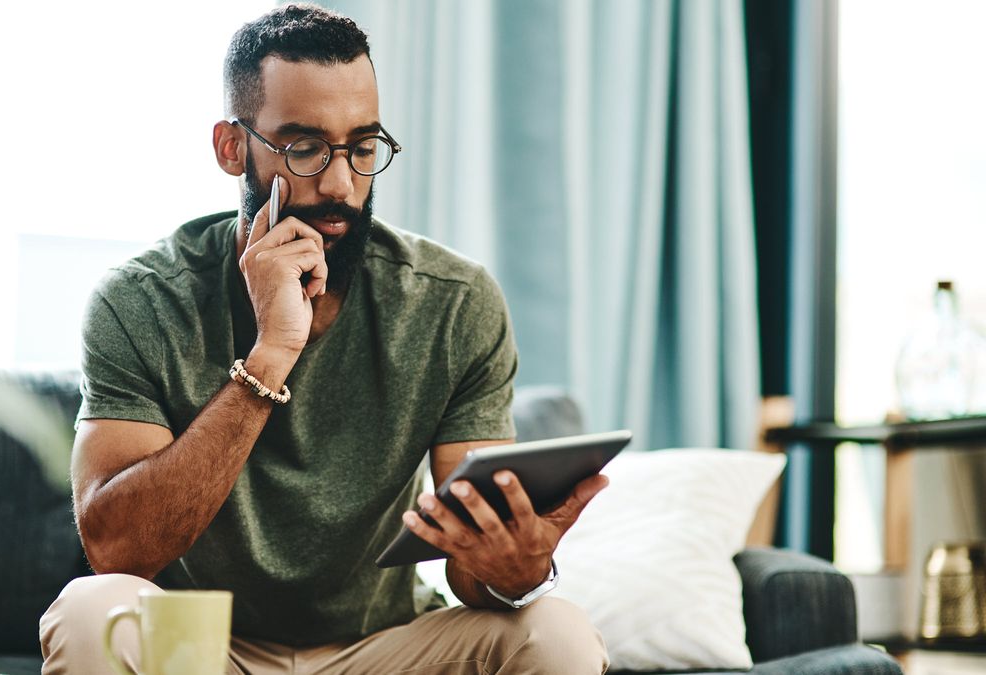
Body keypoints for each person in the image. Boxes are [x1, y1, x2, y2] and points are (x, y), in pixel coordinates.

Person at [39, 4, 609, 673]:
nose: (341, 183)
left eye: (363, 148)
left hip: (385, 647)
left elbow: (471, 575)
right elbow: (118, 551)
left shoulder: (453, 302)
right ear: (232, 147)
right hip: (202, 650)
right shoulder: (140, 299)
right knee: (90, 611)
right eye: (304, 148)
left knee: (558, 632)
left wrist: (517, 566)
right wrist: (271, 354)